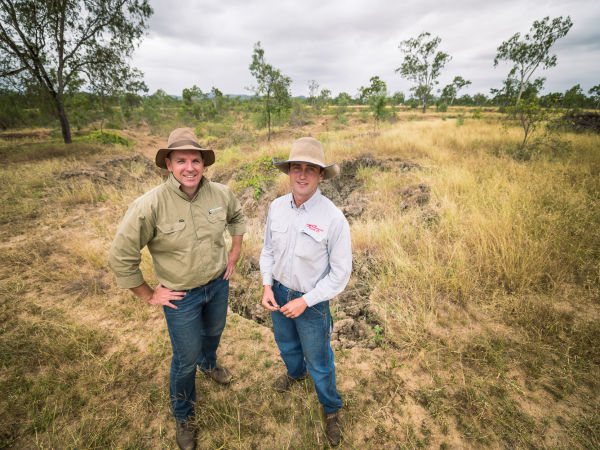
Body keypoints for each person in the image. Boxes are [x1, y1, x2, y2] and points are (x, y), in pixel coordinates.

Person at [108, 128, 246, 450]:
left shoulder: (221, 194)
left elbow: (237, 217)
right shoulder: (150, 205)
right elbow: (121, 256)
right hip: (180, 297)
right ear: (169, 164)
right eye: (181, 160)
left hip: (218, 284)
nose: (189, 167)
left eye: (195, 160)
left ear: (203, 163)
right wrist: (149, 294)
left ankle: (209, 365)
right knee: (185, 358)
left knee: (213, 333)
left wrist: (235, 251)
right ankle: (184, 415)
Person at [260, 137, 352, 446]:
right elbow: (267, 252)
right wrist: (266, 286)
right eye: (296, 168)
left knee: (320, 361)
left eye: (310, 169)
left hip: (312, 302)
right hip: (279, 294)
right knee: (286, 345)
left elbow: (340, 275)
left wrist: (306, 301)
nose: (302, 175)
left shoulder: (333, 219)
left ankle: (331, 408)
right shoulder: (276, 208)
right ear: (288, 172)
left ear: (321, 174)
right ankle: (295, 374)